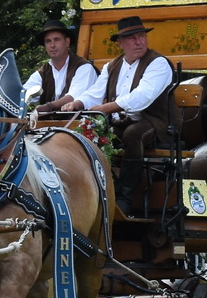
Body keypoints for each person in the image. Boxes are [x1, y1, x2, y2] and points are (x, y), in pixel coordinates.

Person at [58, 15, 175, 216]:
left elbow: (142, 97)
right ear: (120, 43)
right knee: (88, 133)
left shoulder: (158, 63)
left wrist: (107, 108)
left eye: (141, 36)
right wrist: (78, 102)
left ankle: (124, 198)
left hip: (156, 123)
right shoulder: (112, 66)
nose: (139, 42)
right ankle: (97, 191)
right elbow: (95, 92)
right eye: (132, 38)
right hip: (122, 122)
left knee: (133, 134)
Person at [23, 19, 97, 112]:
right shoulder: (42, 73)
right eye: (48, 41)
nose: (52, 45)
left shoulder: (84, 67)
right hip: (49, 121)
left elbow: (73, 97)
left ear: (67, 42)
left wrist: (48, 107)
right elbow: (23, 95)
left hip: (80, 120)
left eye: (56, 40)